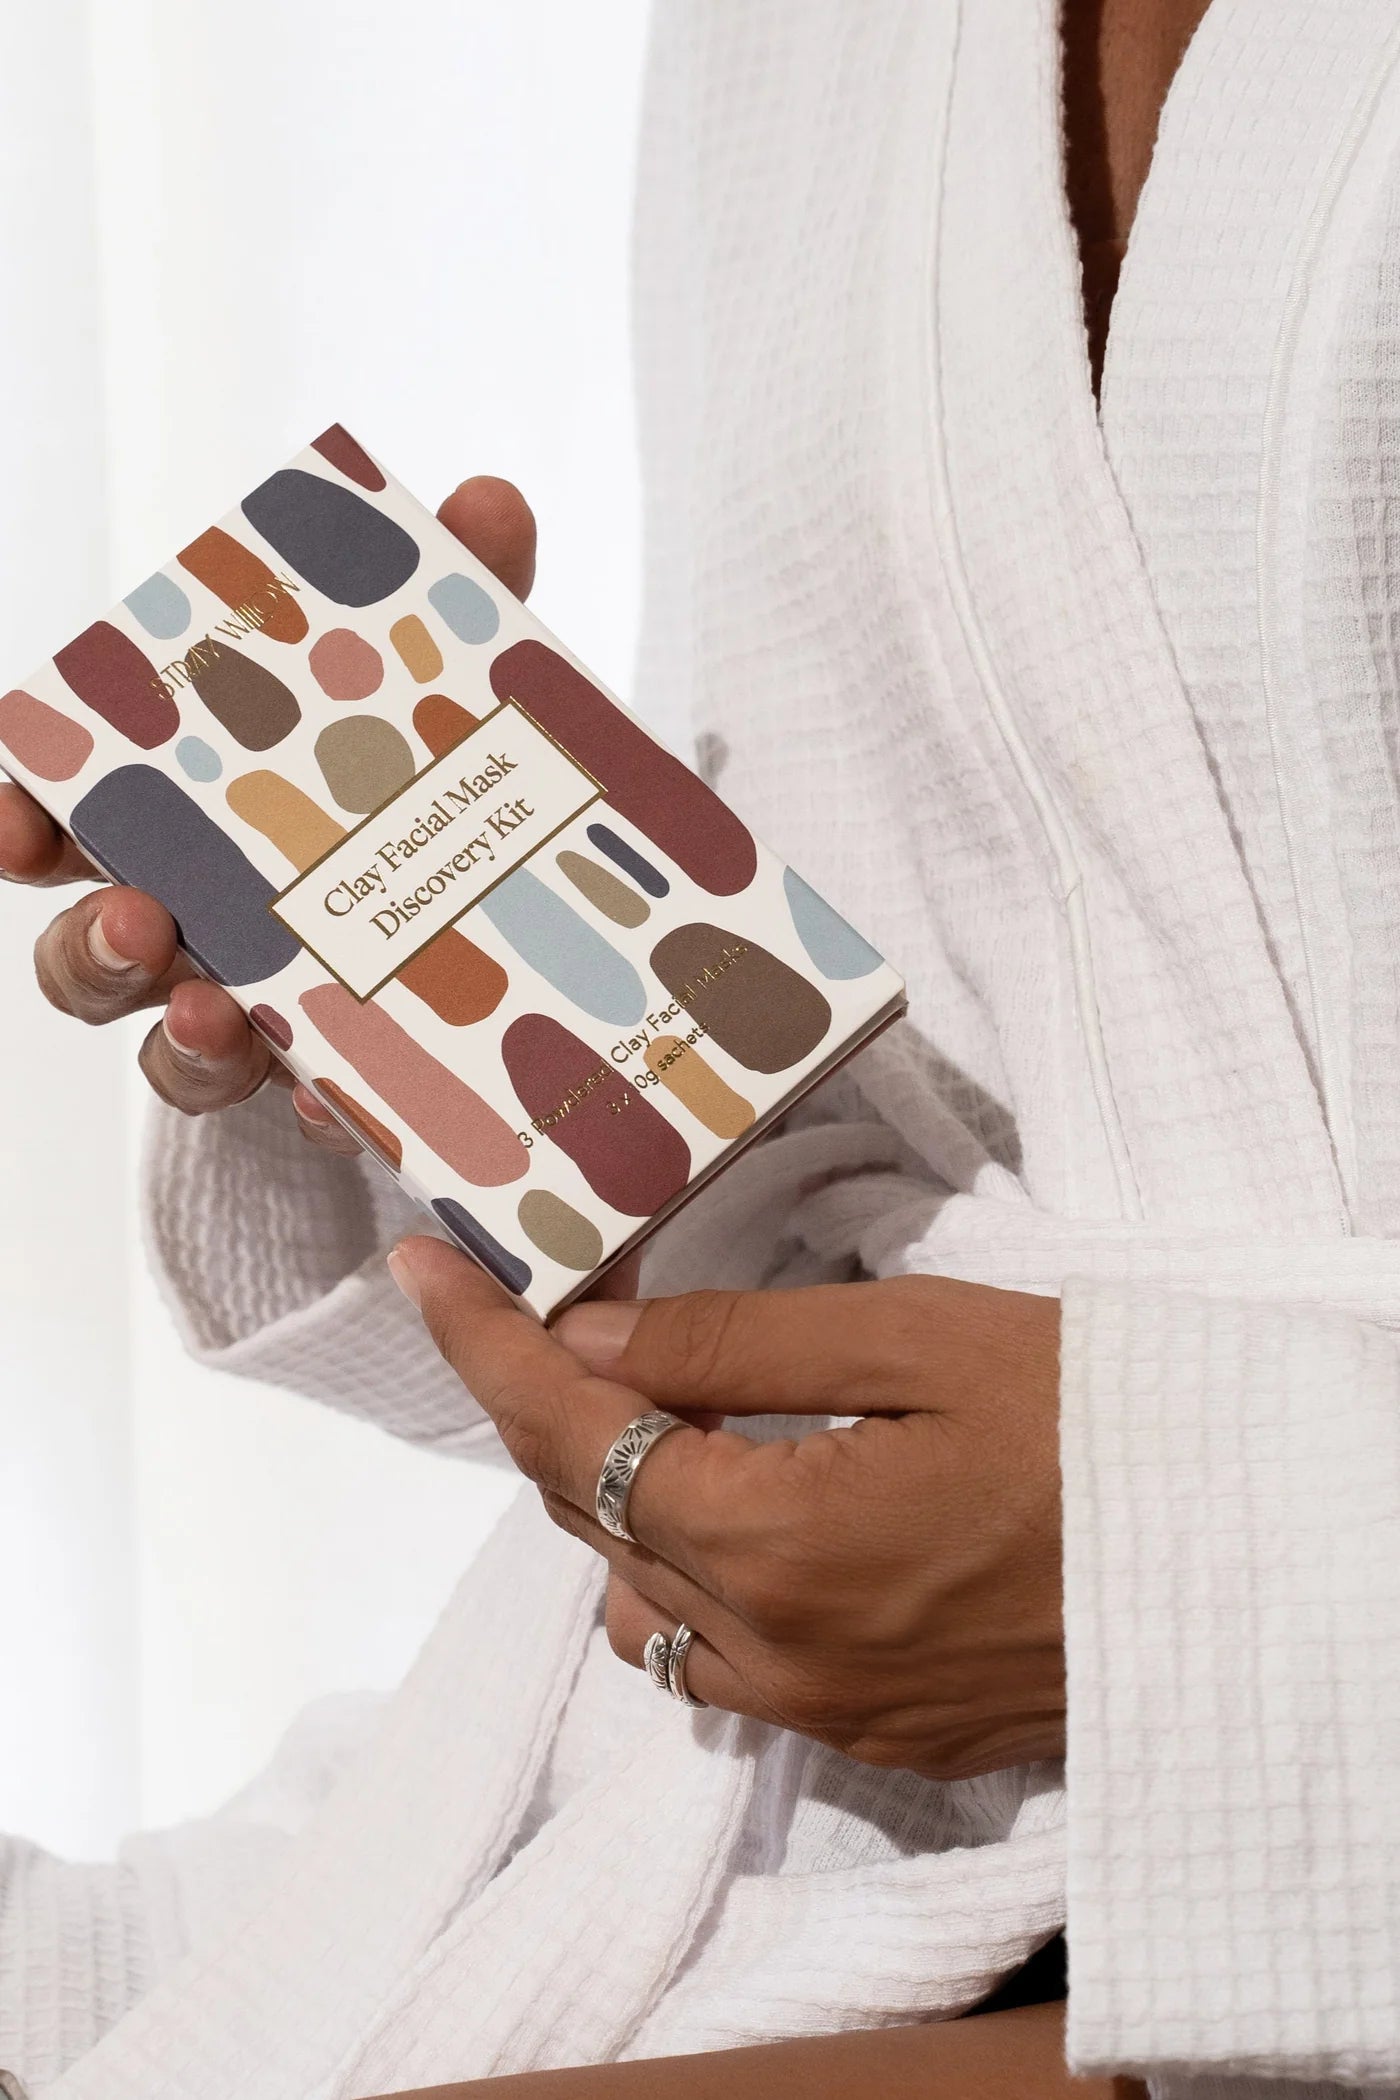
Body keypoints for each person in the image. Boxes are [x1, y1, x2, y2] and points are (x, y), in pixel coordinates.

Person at [1, 2, 1397, 2096]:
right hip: (723, 1824)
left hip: (1265, 1893)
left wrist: (1209, 1574)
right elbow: (884, 1104)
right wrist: (473, 1053)